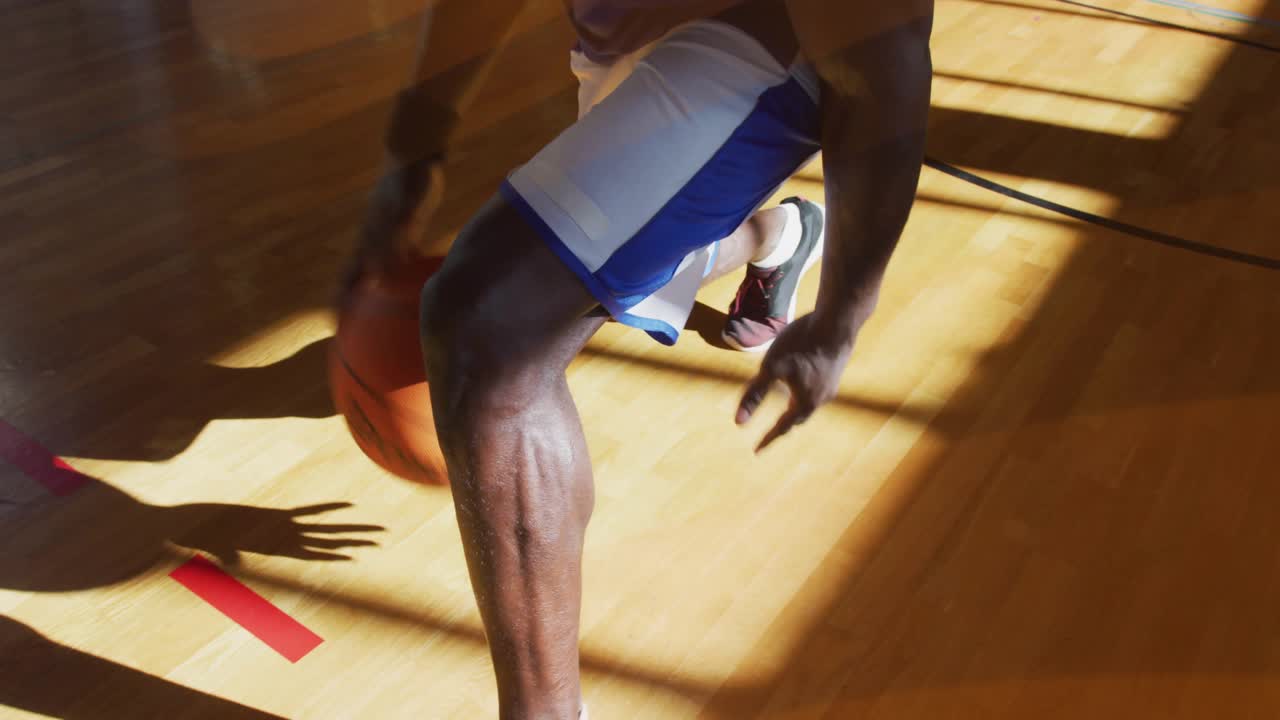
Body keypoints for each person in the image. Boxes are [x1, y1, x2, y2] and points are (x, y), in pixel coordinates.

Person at [342, 1, 934, 717]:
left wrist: (843, 316)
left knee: (485, 328)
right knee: (635, 250)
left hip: (770, 37)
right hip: (614, 30)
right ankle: (776, 238)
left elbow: (886, 61)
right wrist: (416, 144)